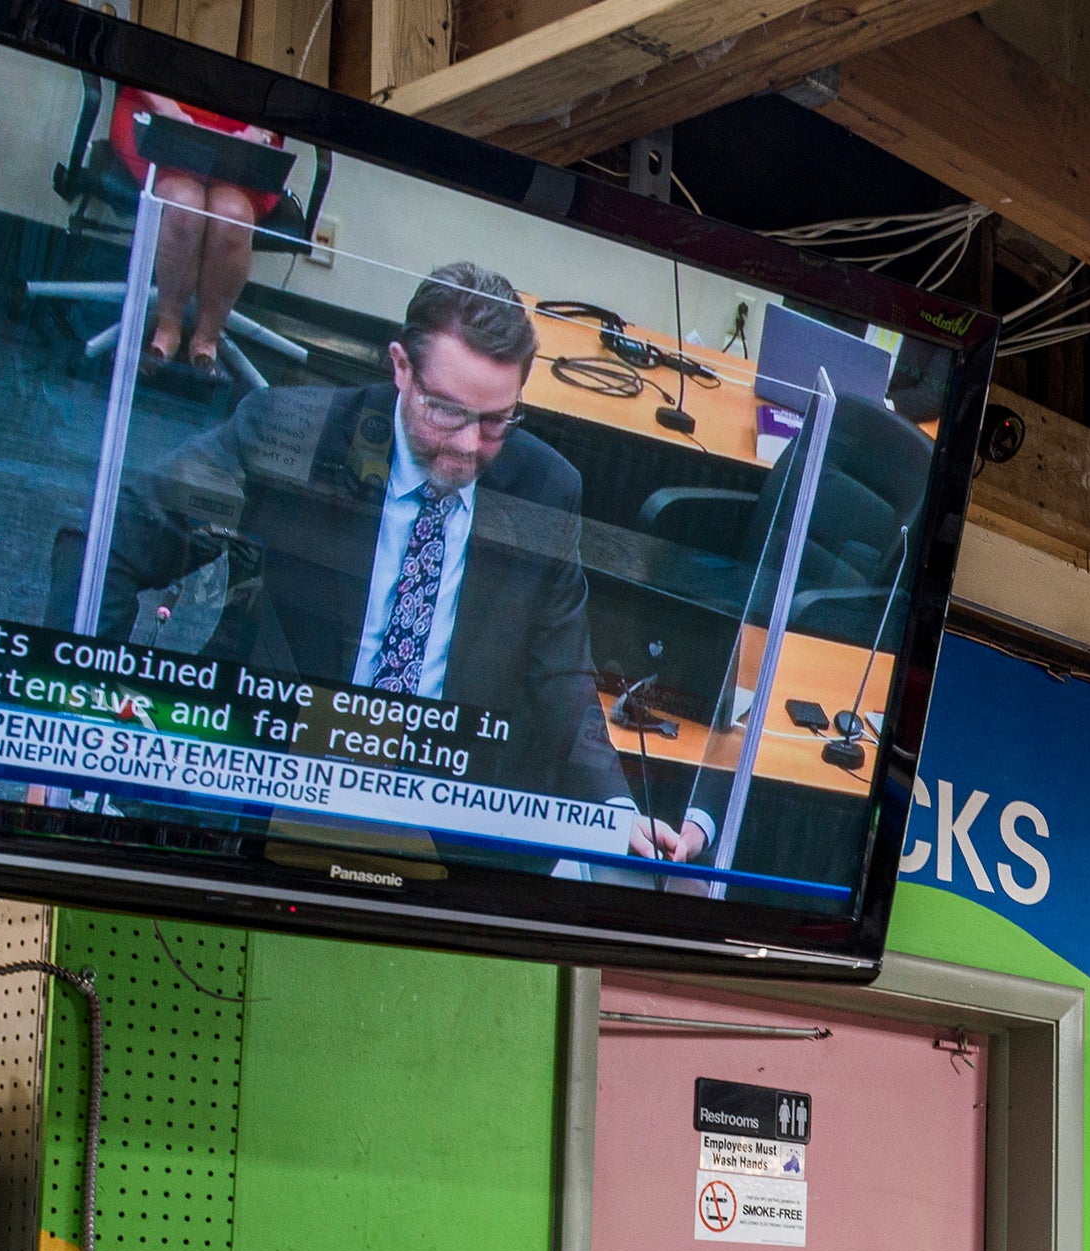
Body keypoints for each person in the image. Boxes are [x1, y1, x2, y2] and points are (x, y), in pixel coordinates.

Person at [103, 263, 709, 854]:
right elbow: (115, 536)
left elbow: (562, 672)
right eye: (446, 410)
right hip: (282, 764)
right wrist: (76, 712)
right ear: (400, 368)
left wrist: (614, 810)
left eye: (498, 420)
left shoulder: (545, 487)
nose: (471, 446)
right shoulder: (293, 433)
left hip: (446, 788)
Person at [111, 88, 285, 388]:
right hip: (161, 116)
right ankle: (167, 327)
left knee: (232, 217)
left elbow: (293, 93)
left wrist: (257, 132)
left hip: (244, 140)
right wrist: (170, 113)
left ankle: (206, 338)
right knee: (184, 208)